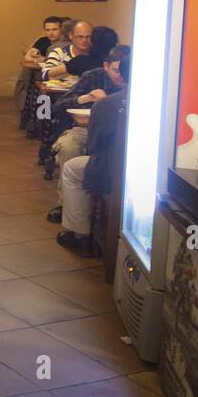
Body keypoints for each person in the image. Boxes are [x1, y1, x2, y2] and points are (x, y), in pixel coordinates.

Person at [55, 52, 131, 257]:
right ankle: (64, 205)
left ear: (123, 75)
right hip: (142, 166)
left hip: (113, 167)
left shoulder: (109, 104)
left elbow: (95, 145)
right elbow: (59, 105)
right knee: (70, 145)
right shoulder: (93, 77)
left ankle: (79, 234)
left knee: (74, 168)